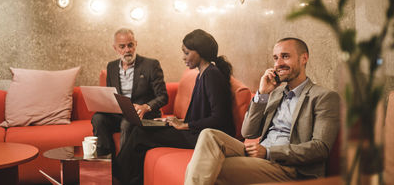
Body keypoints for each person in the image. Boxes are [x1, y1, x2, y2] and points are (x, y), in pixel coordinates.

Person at [184, 37, 341, 185]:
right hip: (259, 156)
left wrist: (269, 152)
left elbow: (320, 148)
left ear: (304, 58)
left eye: (285, 56)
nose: (278, 63)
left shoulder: (323, 97)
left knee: (207, 167)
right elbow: (248, 132)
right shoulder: (276, 93)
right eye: (275, 58)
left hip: (290, 167)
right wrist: (262, 94)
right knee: (208, 134)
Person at [113, 29, 235, 185]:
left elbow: (219, 118)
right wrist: (178, 121)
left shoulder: (211, 75)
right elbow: (204, 114)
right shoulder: (202, 74)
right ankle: (129, 178)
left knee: (139, 134)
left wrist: (185, 125)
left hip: (203, 137)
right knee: (140, 127)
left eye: (187, 53)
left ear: (200, 52)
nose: (183, 57)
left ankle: (116, 176)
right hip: (195, 130)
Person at [91, 28, 168, 156]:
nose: (127, 50)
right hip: (119, 114)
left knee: (128, 122)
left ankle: (124, 168)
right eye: (122, 46)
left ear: (135, 44)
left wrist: (146, 107)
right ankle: (105, 162)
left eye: (130, 45)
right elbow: (111, 95)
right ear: (115, 48)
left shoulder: (151, 65)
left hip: (142, 115)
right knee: (98, 118)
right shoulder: (111, 67)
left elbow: (163, 96)